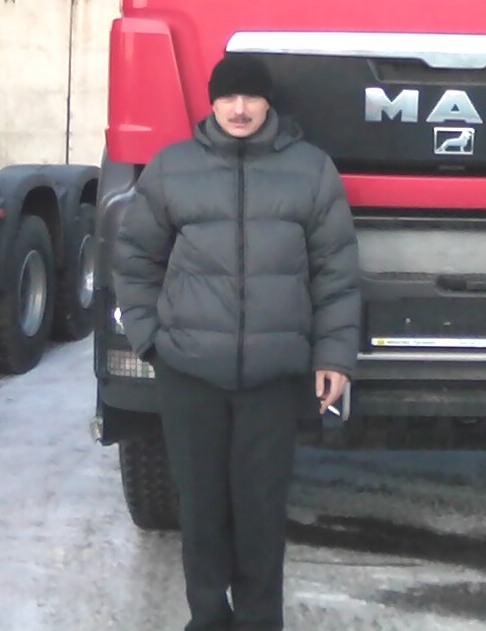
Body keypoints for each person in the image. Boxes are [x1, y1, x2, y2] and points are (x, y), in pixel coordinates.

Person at [112, 53, 361, 631]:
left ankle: (258, 621)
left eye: (250, 97)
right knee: (201, 510)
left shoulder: (310, 170)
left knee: (260, 514)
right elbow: (135, 260)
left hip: (273, 379)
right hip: (190, 375)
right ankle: (207, 617)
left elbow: (337, 272)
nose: (240, 109)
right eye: (228, 97)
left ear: (268, 102)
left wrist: (333, 355)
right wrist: (152, 341)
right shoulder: (172, 169)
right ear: (212, 102)